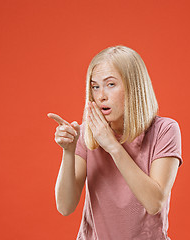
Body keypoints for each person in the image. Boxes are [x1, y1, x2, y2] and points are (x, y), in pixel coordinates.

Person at [48, 45, 182, 240]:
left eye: (110, 84)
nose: (101, 95)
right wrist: (68, 151)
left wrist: (112, 146)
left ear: (134, 86)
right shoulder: (87, 133)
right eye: (95, 86)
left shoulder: (165, 130)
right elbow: (65, 207)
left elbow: (154, 202)